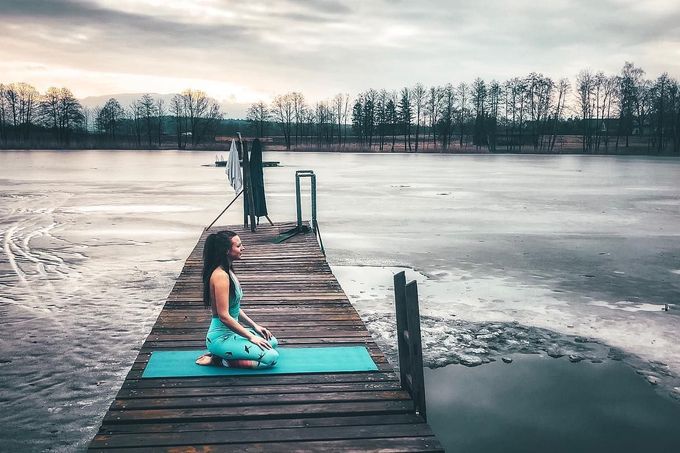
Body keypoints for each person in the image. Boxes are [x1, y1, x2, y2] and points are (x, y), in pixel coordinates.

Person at [196, 230, 279, 368]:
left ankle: (223, 355)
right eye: (238, 246)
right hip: (220, 338)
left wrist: (255, 327)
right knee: (272, 357)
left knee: (271, 341)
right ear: (227, 251)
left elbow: (234, 309)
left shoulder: (228, 271)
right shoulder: (220, 276)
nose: (243, 248)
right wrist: (250, 336)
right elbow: (224, 316)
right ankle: (218, 359)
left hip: (232, 333)